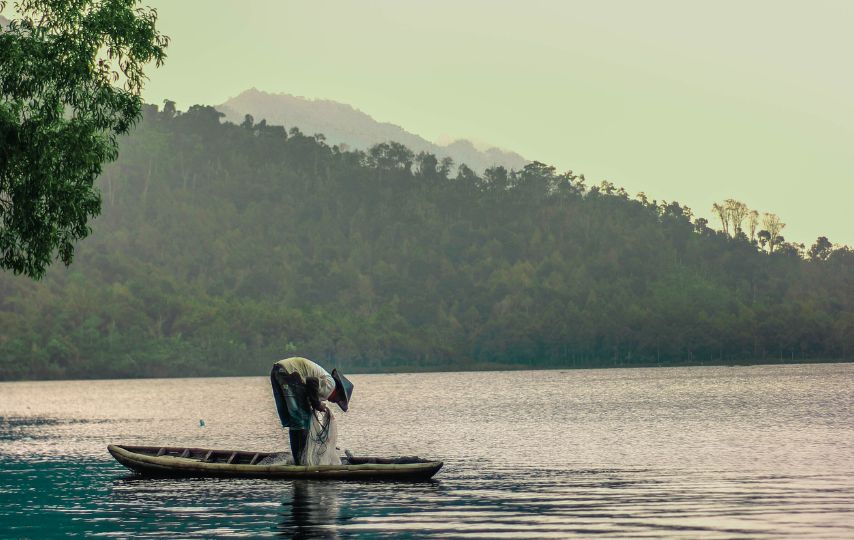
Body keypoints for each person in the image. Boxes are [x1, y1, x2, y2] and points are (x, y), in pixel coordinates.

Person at [270, 356, 353, 465]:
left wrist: (314, 403)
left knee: (296, 421)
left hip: (278, 370)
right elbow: (311, 381)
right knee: (301, 419)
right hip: (290, 372)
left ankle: (299, 460)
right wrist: (317, 404)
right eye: (338, 400)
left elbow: (308, 390)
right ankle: (301, 462)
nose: (334, 402)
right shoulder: (331, 385)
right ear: (339, 392)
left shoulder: (326, 381)